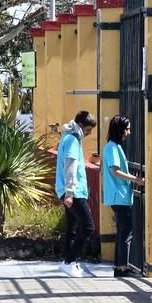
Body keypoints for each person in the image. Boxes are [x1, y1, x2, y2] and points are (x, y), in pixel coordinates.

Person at [55, 110, 97, 278]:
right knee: (88, 227)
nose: (89, 134)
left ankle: (68, 262)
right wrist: (70, 193)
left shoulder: (67, 137)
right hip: (74, 191)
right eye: (88, 130)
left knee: (72, 228)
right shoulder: (72, 140)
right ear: (80, 126)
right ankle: (69, 261)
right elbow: (70, 166)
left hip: (67, 190)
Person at [102, 115, 145, 277]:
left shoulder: (114, 147)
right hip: (118, 196)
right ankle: (122, 267)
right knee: (126, 231)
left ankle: (119, 265)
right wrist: (136, 179)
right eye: (127, 128)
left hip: (120, 196)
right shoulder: (112, 148)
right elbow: (115, 170)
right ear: (119, 129)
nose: (129, 132)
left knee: (123, 231)